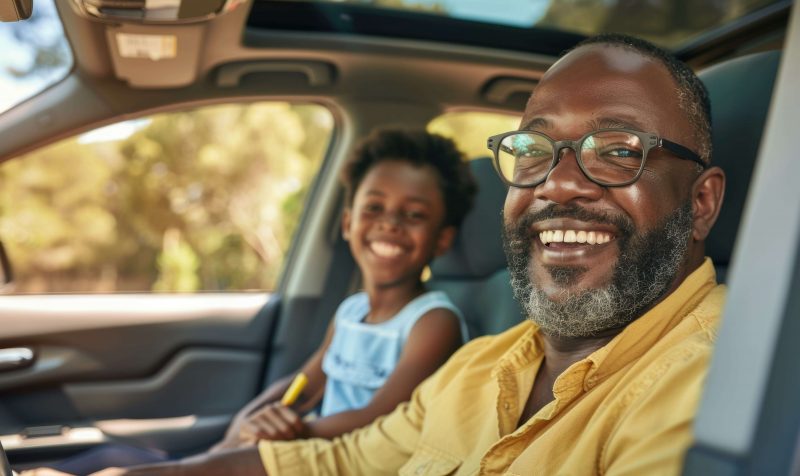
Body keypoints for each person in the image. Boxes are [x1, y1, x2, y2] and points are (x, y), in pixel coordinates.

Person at [48, 32, 727, 475]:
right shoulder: (480, 366)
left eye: (617, 150)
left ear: (701, 203)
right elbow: (338, 461)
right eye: (534, 150)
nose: (557, 182)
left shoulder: (715, 382)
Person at [21, 128, 476, 476]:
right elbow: (305, 384)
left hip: (346, 457)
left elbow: (382, 416)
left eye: (413, 215)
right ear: (346, 222)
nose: (390, 224)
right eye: (374, 208)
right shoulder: (351, 311)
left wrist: (291, 431)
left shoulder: (432, 322)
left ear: (442, 239)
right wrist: (252, 415)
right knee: (113, 454)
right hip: (306, 442)